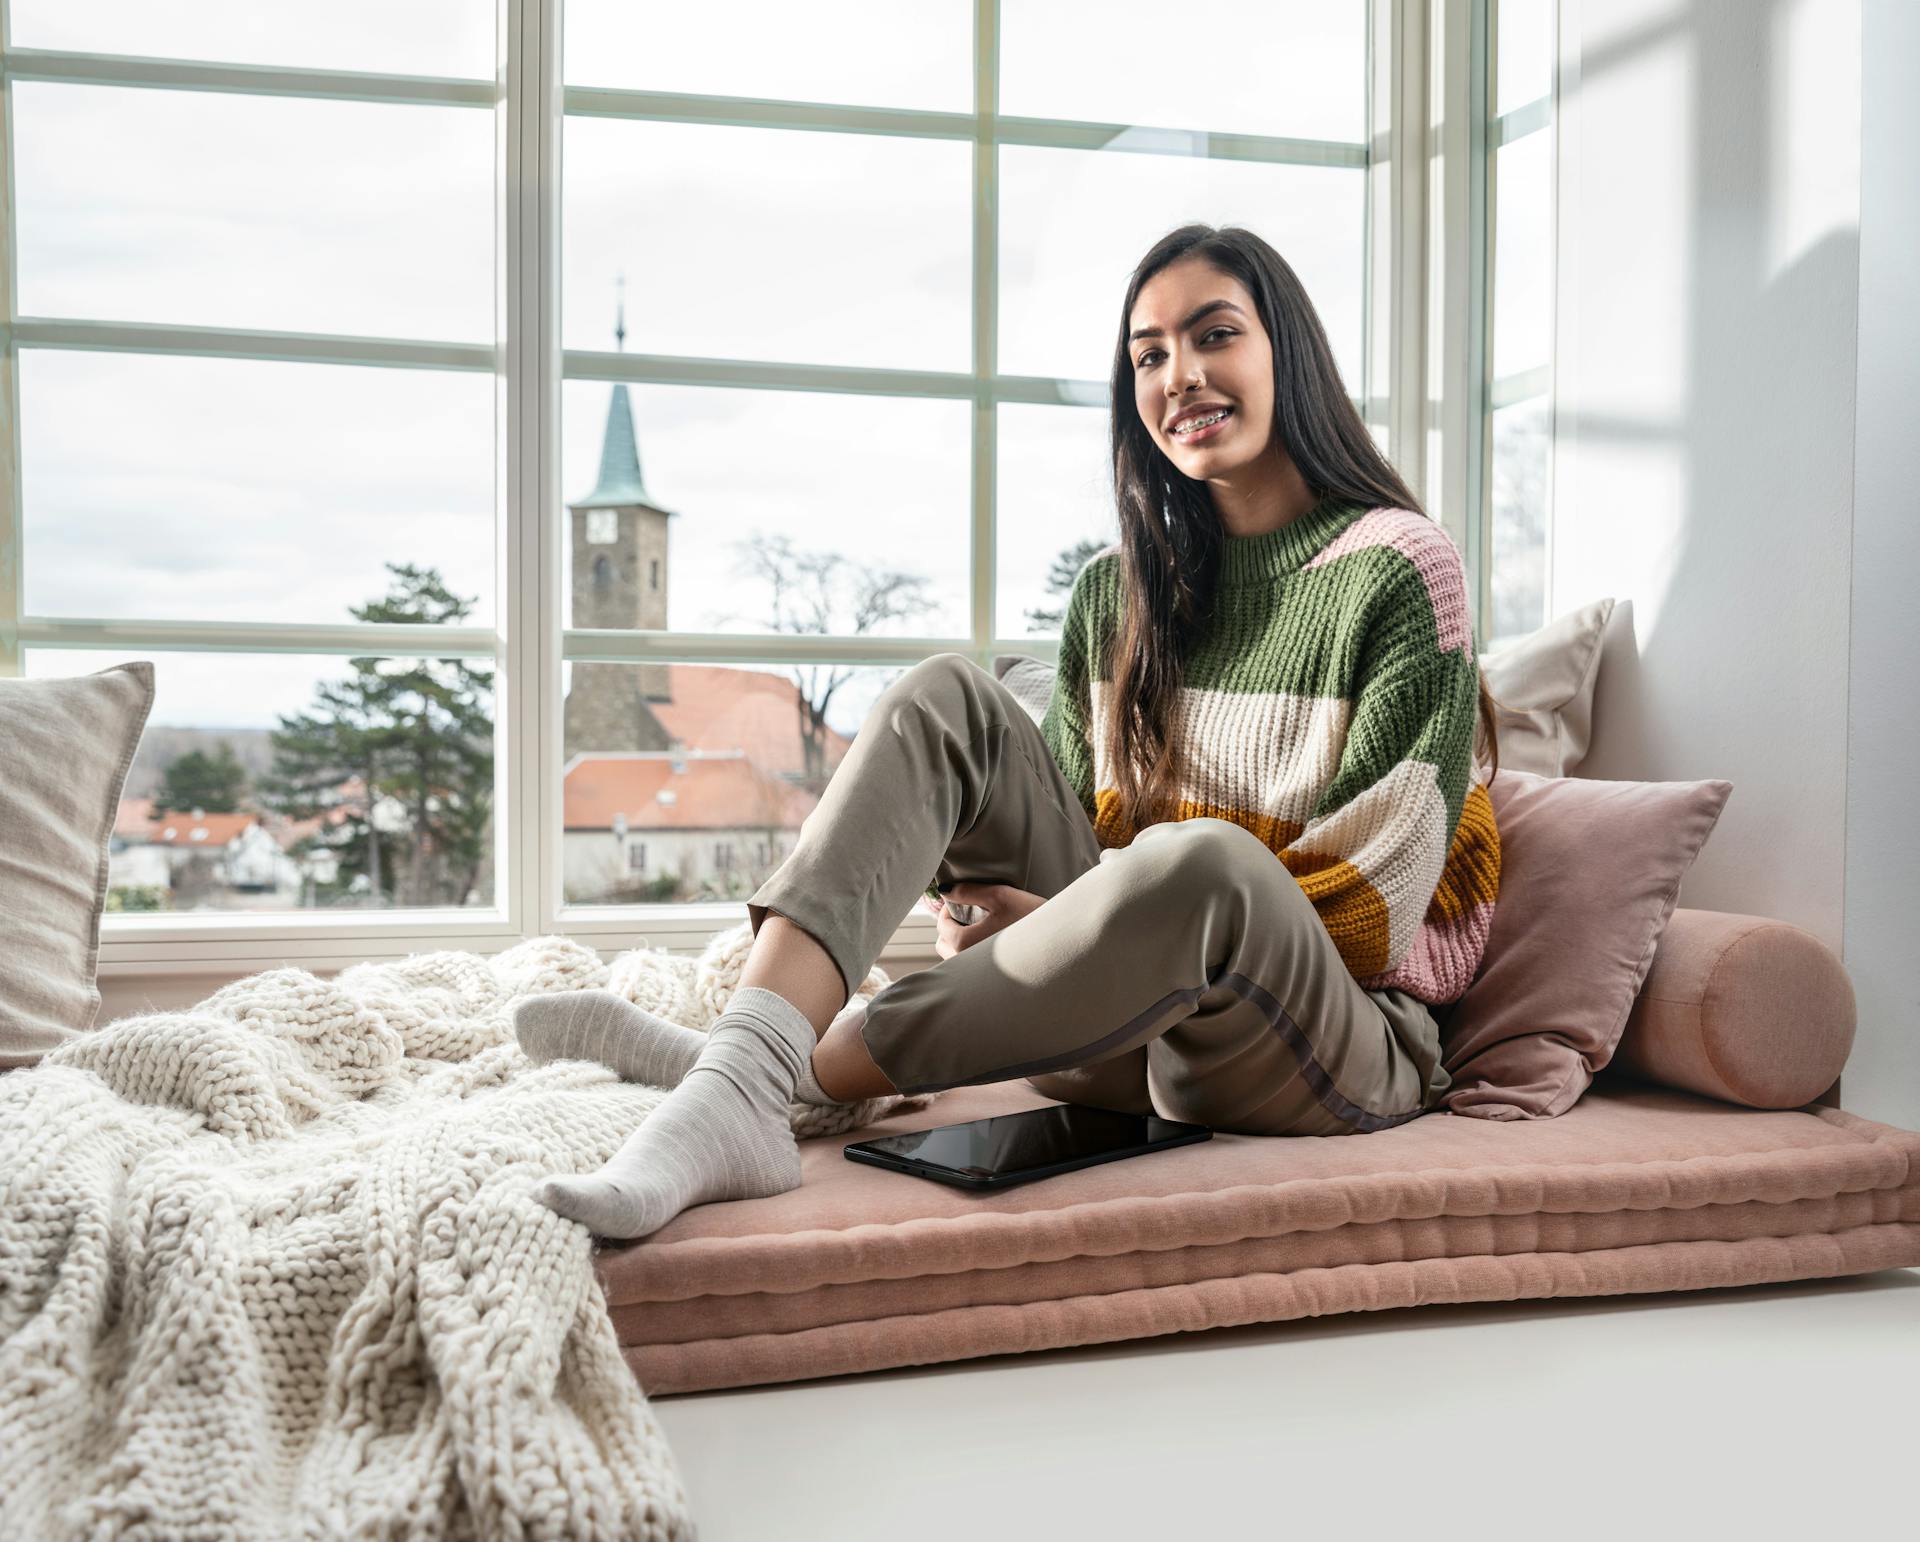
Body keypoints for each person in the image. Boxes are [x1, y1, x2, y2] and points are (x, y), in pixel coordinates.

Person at [521, 222, 1505, 1241]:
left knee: (1198, 865)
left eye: (1216, 335)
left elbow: (1368, 915)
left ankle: (761, 1076)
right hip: (1114, 1036)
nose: (1182, 374)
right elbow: (1082, 862)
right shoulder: (1114, 595)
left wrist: (1074, 927)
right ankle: (751, 1069)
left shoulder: (1400, 571)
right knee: (945, 693)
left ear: (1286, 352)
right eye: (1150, 355)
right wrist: (1037, 930)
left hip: (1318, 1048)